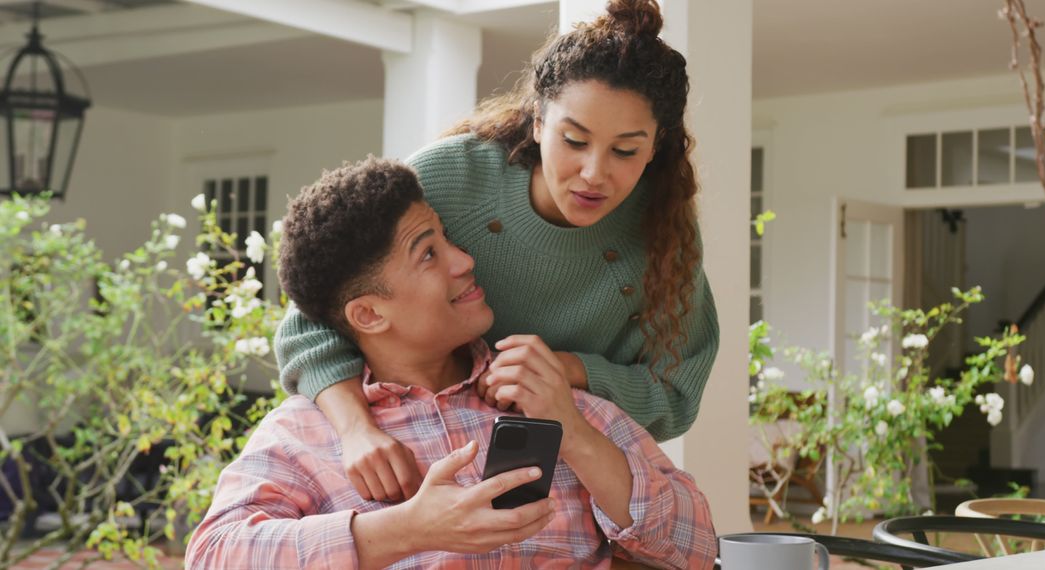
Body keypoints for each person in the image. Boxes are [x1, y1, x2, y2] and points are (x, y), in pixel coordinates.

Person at [274, 0, 719, 503]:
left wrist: (568, 370)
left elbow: (676, 393)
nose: (595, 173)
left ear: (656, 146)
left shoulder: (664, 231)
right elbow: (321, 304)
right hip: (414, 442)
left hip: (568, 478)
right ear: (538, 123)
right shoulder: (451, 177)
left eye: (624, 151)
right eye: (574, 140)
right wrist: (355, 429)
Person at [186, 157, 718, 569]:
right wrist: (406, 530)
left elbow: (696, 546)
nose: (465, 261)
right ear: (368, 314)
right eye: (428, 253)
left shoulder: (556, 399)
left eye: (447, 239)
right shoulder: (304, 433)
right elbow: (213, 554)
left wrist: (573, 434)